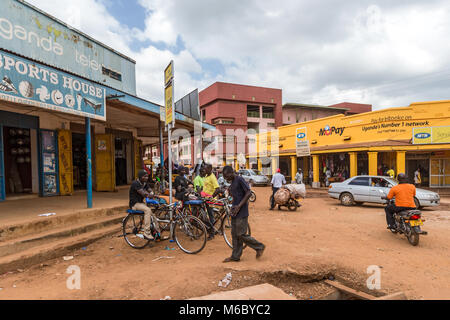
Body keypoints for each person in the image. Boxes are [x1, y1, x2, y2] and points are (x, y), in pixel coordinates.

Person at [222, 166, 265, 263]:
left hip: (242, 212)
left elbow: (248, 193)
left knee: (241, 234)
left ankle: (259, 246)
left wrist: (239, 206)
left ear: (231, 172)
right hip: (234, 211)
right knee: (234, 235)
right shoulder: (232, 182)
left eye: (226, 176)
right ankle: (235, 256)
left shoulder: (240, 179)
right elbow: (236, 195)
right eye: (224, 177)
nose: (226, 178)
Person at [129, 170, 161, 240]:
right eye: (145, 176)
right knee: (148, 210)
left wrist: (152, 193)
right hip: (135, 204)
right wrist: (152, 196)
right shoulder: (135, 183)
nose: (146, 178)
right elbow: (143, 193)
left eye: (147, 176)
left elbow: (149, 189)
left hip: (141, 203)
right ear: (140, 177)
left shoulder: (144, 183)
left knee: (153, 215)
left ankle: (158, 232)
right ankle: (147, 232)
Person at [202, 163, 221, 240]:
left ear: (210, 169)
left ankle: (212, 233)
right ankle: (209, 229)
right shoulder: (207, 176)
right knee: (205, 216)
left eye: (206, 168)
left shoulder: (212, 177)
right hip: (205, 199)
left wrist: (211, 197)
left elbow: (217, 189)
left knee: (210, 216)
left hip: (209, 200)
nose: (204, 170)